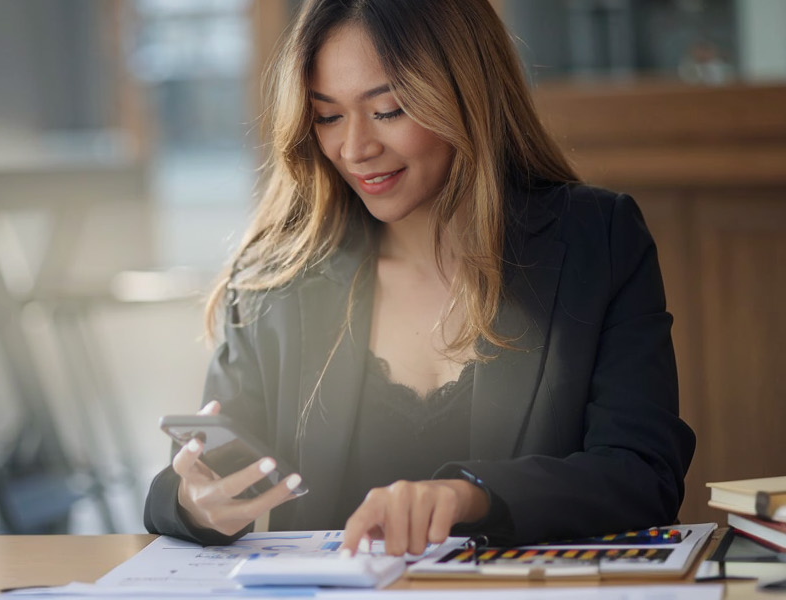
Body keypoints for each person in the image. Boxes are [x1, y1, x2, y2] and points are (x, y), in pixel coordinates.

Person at [143, 0, 695, 555]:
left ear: (467, 96)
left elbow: (641, 474)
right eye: (328, 116)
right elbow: (191, 484)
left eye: (388, 110)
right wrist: (196, 502)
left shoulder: (595, 239)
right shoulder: (275, 278)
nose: (355, 148)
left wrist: (470, 497)